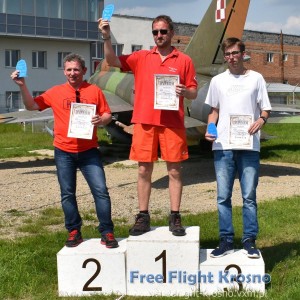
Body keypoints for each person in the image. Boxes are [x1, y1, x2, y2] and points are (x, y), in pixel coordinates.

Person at [98, 15, 198, 236]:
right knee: (144, 169)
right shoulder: (141, 57)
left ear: (171, 33)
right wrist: (106, 38)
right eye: (155, 32)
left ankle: (175, 216)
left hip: (172, 123)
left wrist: (185, 91)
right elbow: (112, 61)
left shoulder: (184, 60)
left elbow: (193, 90)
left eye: (163, 31)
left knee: (174, 170)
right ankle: (143, 215)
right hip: (145, 122)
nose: (159, 36)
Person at [11, 53, 118, 248]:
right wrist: (22, 85)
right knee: (67, 193)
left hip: (89, 151)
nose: (72, 73)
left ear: (84, 71)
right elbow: (32, 105)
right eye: (69, 69)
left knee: (101, 191)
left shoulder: (95, 91)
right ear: (64, 71)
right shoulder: (55, 92)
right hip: (63, 151)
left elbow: (107, 114)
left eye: (76, 69)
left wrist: (101, 120)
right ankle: (74, 231)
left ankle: (107, 231)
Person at [205, 37, 272, 258]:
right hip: (223, 146)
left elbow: (265, 109)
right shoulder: (217, 81)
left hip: (249, 145)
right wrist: (210, 127)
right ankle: (225, 240)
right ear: (224, 56)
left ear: (243, 54)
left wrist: (261, 120)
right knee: (223, 196)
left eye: (235, 53)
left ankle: (249, 240)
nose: (232, 58)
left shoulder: (257, 78)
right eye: (228, 54)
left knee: (249, 196)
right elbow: (213, 111)